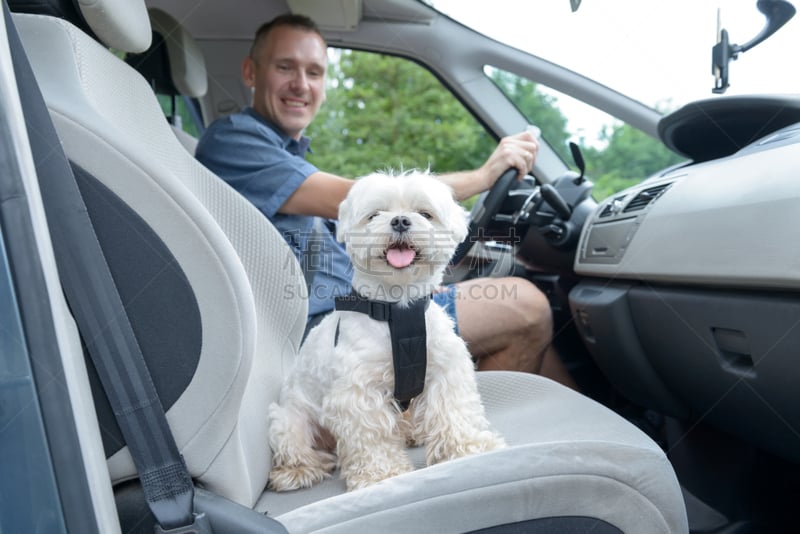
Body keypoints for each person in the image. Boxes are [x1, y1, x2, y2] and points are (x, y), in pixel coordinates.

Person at [195, 14, 576, 388]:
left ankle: (546, 432)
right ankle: (476, 445)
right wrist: (483, 176)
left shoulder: (287, 156)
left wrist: (405, 281)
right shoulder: (233, 141)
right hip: (331, 330)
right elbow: (360, 200)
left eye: (314, 72)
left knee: (520, 312)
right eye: (285, 67)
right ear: (250, 73)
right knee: (526, 307)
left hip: (363, 307)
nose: (301, 84)